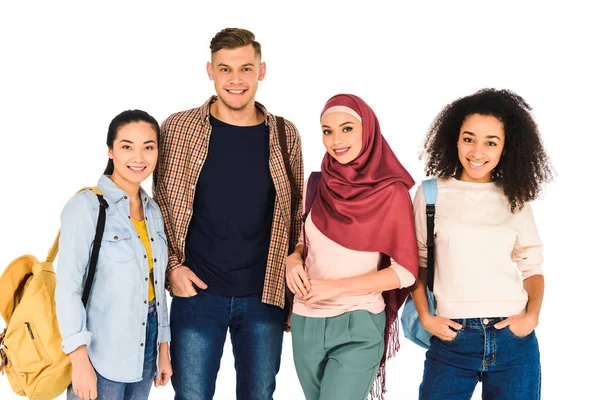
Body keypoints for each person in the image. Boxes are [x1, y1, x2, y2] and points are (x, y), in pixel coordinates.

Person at [154, 28, 303, 399]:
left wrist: (295, 267)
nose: (236, 80)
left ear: (261, 70)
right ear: (210, 71)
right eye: (225, 69)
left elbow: (298, 212)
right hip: (196, 296)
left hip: (263, 296)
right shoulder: (178, 128)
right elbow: (158, 206)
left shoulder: (285, 134)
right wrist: (172, 267)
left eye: (246, 69)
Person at [412, 88, 554, 399]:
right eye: (469, 138)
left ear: (506, 147)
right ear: (455, 138)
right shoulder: (431, 194)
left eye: (491, 142)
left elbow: (532, 267)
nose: (478, 151)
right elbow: (417, 264)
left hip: (513, 342)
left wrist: (531, 317)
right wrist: (426, 317)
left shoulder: (514, 198)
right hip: (451, 338)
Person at [286, 93, 418, 400]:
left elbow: (406, 272)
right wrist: (293, 258)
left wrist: (336, 288)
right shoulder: (318, 183)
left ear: (368, 130)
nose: (335, 140)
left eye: (347, 128)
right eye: (327, 131)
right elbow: (307, 240)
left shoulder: (391, 191)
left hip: (358, 320)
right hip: (306, 321)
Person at [56, 110, 172, 400]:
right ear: (110, 150)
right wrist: (79, 360)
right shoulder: (86, 207)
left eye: (148, 147)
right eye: (126, 146)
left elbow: (158, 291)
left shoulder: (154, 212)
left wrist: (163, 350)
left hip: (145, 350)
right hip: (99, 354)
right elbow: (67, 290)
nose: (139, 157)